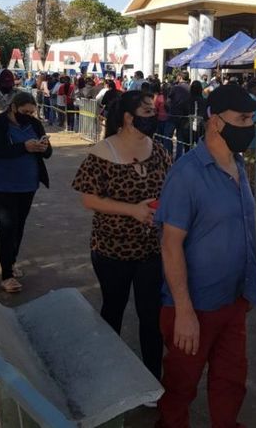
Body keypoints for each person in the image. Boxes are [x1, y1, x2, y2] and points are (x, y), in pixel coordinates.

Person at [154, 84, 256, 428]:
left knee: (231, 379)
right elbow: (170, 245)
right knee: (180, 386)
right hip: (193, 306)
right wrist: (184, 311)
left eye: (252, 118)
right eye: (242, 119)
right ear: (215, 122)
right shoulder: (187, 174)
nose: (249, 126)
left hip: (234, 299)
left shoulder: (239, 166)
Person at [72, 90, 171, 381]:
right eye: (148, 113)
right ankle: (107, 374)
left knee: (151, 316)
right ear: (129, 117)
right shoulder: (103, 152)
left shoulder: (158, 150)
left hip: (151, 249)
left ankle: (152, 377)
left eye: (154, 112)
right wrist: (132, 210)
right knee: (112, 310)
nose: (154, 118)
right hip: (111, 250)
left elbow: (171, 187)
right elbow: (89, 200)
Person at [0, 92, 52, 293]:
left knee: (19, 226)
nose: (28, 115)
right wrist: (24, 147)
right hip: (4, 185)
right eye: (24, 111)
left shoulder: (34, 124)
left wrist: (42, 147)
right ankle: (6, 276)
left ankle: (11, 262)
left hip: (28, 184)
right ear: (13, 107)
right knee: (7, 227)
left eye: (31, 112)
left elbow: (48, 152)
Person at [165, 71, 191, 159]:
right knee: (180, 139)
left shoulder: (175, 88)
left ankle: (169, 155)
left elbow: (168, 101)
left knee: (168, 136)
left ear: (180, 77)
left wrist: (169, 109)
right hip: (184, 116)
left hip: (173, 115)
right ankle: (178, 158)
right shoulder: (190, 88)